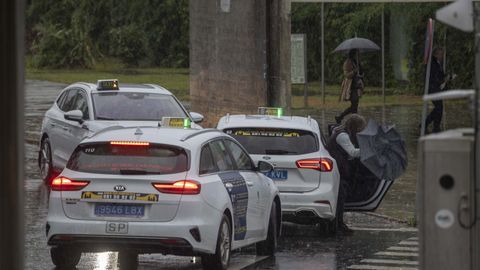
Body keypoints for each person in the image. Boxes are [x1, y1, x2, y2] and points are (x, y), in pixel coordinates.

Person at [326, 114, 367, 233]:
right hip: (338, 169)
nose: (360, 131)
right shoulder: (343, 136)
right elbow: (353, 152)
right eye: (360, 128)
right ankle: (337, 225)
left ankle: (339, 224)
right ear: (355, 126)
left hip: (340, 168)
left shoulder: (341, 132)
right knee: (339, 197)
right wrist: (369, 148)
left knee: (340, 197)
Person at [425, 47, 450, 133]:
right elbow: (434, 77)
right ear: (436, 54)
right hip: (433, 88)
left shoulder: (437, 63)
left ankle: (433, 125)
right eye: (441, 54)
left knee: (439, 107)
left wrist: (447, 77)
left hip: (435, 88)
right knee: (439, 107)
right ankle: (433, 126)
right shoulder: (433, 63)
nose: (442, 56)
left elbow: (440, 75)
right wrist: (441, 82)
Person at [335, 49, 364, 124]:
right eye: (357, 54)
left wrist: (360, 70)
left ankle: (351, 120)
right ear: (353, 54)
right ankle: (343, 117)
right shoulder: (348, 62)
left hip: (356, 85)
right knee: (354, 105)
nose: (358, 55)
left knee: (355, 106)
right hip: (350, 87)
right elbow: (346, 75)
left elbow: (360, 72)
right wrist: (354, 71)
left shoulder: (356, 62)